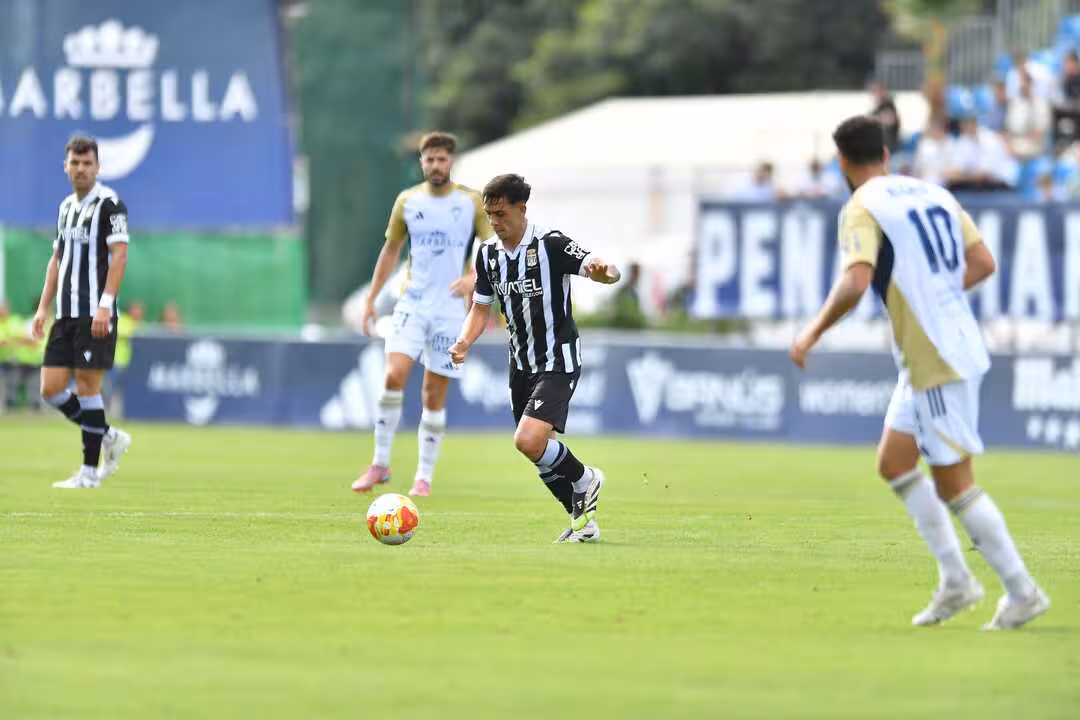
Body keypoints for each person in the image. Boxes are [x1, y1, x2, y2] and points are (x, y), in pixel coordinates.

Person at [791, 116, 1049, 630]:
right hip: (939, 348)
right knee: (894, 461)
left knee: (955, 483)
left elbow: (856, 280)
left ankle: (1022, 591)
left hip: (936, 356)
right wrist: (937, 293)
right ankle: (956, 580)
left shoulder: (862, 205)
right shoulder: (933, 193)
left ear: (843, 163)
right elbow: (983, 263)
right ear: (885, 154)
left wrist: (811, 332)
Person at [449, 174, 621, 543]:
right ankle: (584, 523)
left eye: (501, 213)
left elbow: (601, 267)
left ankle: (585, 478)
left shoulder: (550, 244)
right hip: (521, 364)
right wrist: (464, 341)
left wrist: (605, 273)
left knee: (527, 440)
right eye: (489, 214)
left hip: (558, 359)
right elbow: (481, 310)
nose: (495, 222)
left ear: (521, 209)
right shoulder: (488, 254)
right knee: (535, 449)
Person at [352, 132, 494, 497]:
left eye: (441, 159)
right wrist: (371, 298)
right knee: (394, 375)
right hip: (411, 303)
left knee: (433, 394)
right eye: (429, 159)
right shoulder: (408, 201)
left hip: (450, 311)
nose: (435, 165)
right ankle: (380, 464)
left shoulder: (471, 202)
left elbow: (494, 253)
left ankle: (423, 478)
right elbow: (390, 251)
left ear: (452, 162)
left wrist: (473, 277)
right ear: (421, 162)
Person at [31, 136, 132, 489]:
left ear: (98, 167)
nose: (80, 169)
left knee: (88, 386)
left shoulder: (110, 204)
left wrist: (105, 304)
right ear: (65, 166)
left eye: (87, 163)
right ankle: (107, 435)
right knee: (51, 388)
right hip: (66, 314)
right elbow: (56, 261)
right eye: (75, 162)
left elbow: (119, 255)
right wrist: (43, 307)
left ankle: (89, 473)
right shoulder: (64, 208)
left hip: (94, 313)